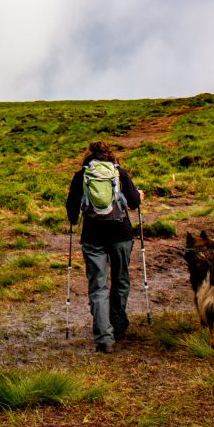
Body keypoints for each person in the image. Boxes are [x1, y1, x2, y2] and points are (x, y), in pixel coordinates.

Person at [65, 140, 142, 353]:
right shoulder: (119, 172)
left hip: (92, 237)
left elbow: (72, 211)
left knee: (98, 287)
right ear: (110, 154)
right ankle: (119, 326)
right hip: (121, 234)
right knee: (121, 280)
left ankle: (103, 338)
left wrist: (74, 219)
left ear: (89, 155)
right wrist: (138, 195)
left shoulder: (82, 175)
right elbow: (135, 202)